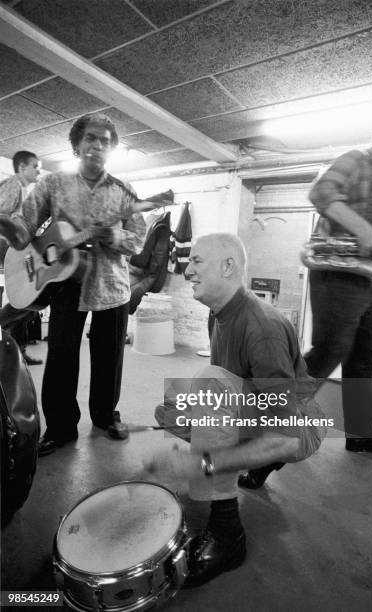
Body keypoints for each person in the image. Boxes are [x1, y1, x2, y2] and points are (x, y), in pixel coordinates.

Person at [148, 233, 326, 587]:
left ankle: (227, 534)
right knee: (169, 409)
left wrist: (201, 463)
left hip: (299, 427)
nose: (187, 271)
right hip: (261, 410)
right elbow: (232, 389)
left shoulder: (263, 329)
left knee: (209, 385)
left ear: (228, 266)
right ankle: (256, 461)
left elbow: (285, 438)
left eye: (196, 261)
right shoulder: (220, 315)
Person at [0, 114, 147, 456]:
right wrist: (10, 226)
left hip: (111, 286)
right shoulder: (52, 184)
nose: (98, 145)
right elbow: (26, 228)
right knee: (61, 356)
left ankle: (105, 416)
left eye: (106, 141)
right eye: (91, 138)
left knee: (109, 357)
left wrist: (112, 235)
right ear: (77, 144)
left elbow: (139, 239)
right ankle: (62, 427)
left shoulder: (124, 190)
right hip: (65, 284)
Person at [304, 116, 372, 456]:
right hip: (336, 272)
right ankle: (266, 418)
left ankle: (362, 434)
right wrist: (365, 231)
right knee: (330, 351)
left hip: (368, 279)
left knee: (367, 357)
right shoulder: (354, 160)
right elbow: (321, 192)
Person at [0, 150, 43, 365]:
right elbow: (1, 216)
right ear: (22, 167)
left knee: (30, 301)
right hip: (7, 247)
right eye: (35, 166)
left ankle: (18, 351)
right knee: (30, 298)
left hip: (17, 248)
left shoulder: (25, 191)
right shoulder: (13, 185)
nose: (38, 170)